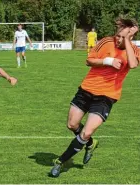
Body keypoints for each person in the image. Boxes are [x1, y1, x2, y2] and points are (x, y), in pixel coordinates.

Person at [50, 18, 139, 177]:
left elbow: (132, 65)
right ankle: (91, 144)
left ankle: (60, 162)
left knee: (85, 132)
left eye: (122, 36)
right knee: (72, 125)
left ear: (130, 36)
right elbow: (89, 60)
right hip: (86, 90)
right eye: (117, 35)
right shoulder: (106, 41)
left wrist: (126, 40)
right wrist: (107, 61)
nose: (117, 39)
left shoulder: (134, 50)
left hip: (106, 96)